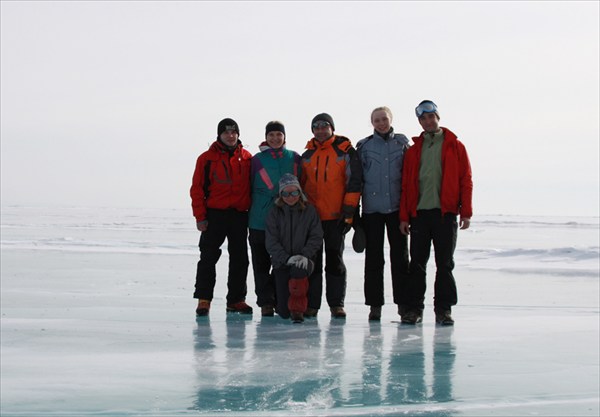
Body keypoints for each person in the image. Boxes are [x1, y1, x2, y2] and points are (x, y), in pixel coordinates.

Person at [399, 100, 473, 325]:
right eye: (423, 118)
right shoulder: (413, 151)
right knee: (417, 263)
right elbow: (406, 185)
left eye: (431, 117)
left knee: (445, 263)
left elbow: (466, 180)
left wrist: (466, 212)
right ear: (420, 122)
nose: (428, 121)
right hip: (420, 214)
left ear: (437, 117)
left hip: (445, 214)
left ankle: (444, 310)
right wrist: (404, 216)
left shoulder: (455, 146)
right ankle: (414, 309)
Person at [300, 113, 362, 318]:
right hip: (312, 219)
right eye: (316, 127)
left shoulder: (345, 152)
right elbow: (300, 186)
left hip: (336, 217)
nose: (320, 130)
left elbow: (354, 182)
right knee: (313, 262)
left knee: (335, 261)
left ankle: (337, 304)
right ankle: (312, 304)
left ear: (332, 128)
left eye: (324, 126)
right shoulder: (307, 156)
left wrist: (349, 213)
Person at [190, 118, 253, 316]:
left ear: (238, 134)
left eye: (233, 132)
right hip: (214, 215)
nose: (230, 135)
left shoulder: (248, 158)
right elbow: (197, 190)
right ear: (219, 135)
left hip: (239, 215)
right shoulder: (206, 158)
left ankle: (236, 300)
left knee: (240, 259)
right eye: (226, 132)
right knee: (208, 257)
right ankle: (204, 299)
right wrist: (200, 217)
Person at [356, 106, 410, 321]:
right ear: (372, 123)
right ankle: (375, 305)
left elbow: (409, 179)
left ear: (391, 119)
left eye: (384, 119)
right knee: (374, 259)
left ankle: (403, 304)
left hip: (396, 209)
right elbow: (357, 179)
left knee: (400, 258)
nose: (381, 123)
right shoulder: (364, 147)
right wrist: (355, 213)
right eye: (377, 120)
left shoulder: (402, 144)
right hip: (372, 210)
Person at [248, 121, 302, 317]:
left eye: (278, 134)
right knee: (261, 263)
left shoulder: (295, 158)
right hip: (259, 220)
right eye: (271, 135)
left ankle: (281, 300)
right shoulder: (256, 160)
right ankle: (265, 302)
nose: (275, 138)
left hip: (286, 221)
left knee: (282, 264)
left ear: (284, 137)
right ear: (266, 137)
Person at [265, 174, 323, 323]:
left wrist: (305, 255)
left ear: (300, 193)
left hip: (304, 262)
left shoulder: (309, 211)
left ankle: (298, 310)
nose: (290, 197)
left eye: (294, 192)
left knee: (298, 271)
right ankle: (284, 305)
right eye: (286, 193)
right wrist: (286, 258)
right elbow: (271, 241)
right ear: (280, 194)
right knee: (283, 312)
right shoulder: (274, 212)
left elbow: (316, 236)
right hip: (282, 262)